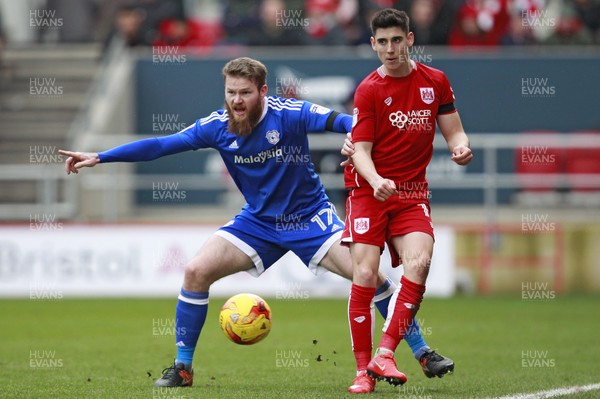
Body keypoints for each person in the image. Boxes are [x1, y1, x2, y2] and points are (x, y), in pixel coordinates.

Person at [58, 57, 451, 390]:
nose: (236, 100)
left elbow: (347, 121)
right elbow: (162, 145)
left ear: (263, 92)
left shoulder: (291, 114)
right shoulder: (217, 125)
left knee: (371, 277)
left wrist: (354, 138)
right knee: (196, 271)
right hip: (258, 222)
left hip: (309, 218)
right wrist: (100, 156)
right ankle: (182, 368)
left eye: (244, 92)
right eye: (230, 92)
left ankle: (420, 351)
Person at [341, 8, 472, 394]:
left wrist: (462, 148)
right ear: (372, 44)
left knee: (421, 262)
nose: (390, 48)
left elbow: (455, 132)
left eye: (397, 40)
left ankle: (385, 352)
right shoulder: (368, 89)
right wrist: (376, 178)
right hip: (368, 190)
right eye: (382, 42)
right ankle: (362, 372)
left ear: (410, 40)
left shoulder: (436, 82)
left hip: (412, 192)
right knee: (365, 274)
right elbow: (359, 151)